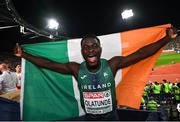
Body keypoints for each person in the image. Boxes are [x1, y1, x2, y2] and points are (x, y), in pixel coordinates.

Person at [14, 27, 178, 120]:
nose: (90, 50)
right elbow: (48, 64)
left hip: (111, 117)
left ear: (100, 49)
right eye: (86, 47)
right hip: (90, 118)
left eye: (94, 46)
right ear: (82, 51)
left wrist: (166, 39)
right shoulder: (76, 69)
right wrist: (24, 55)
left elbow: (141, 54)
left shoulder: (112, 64)